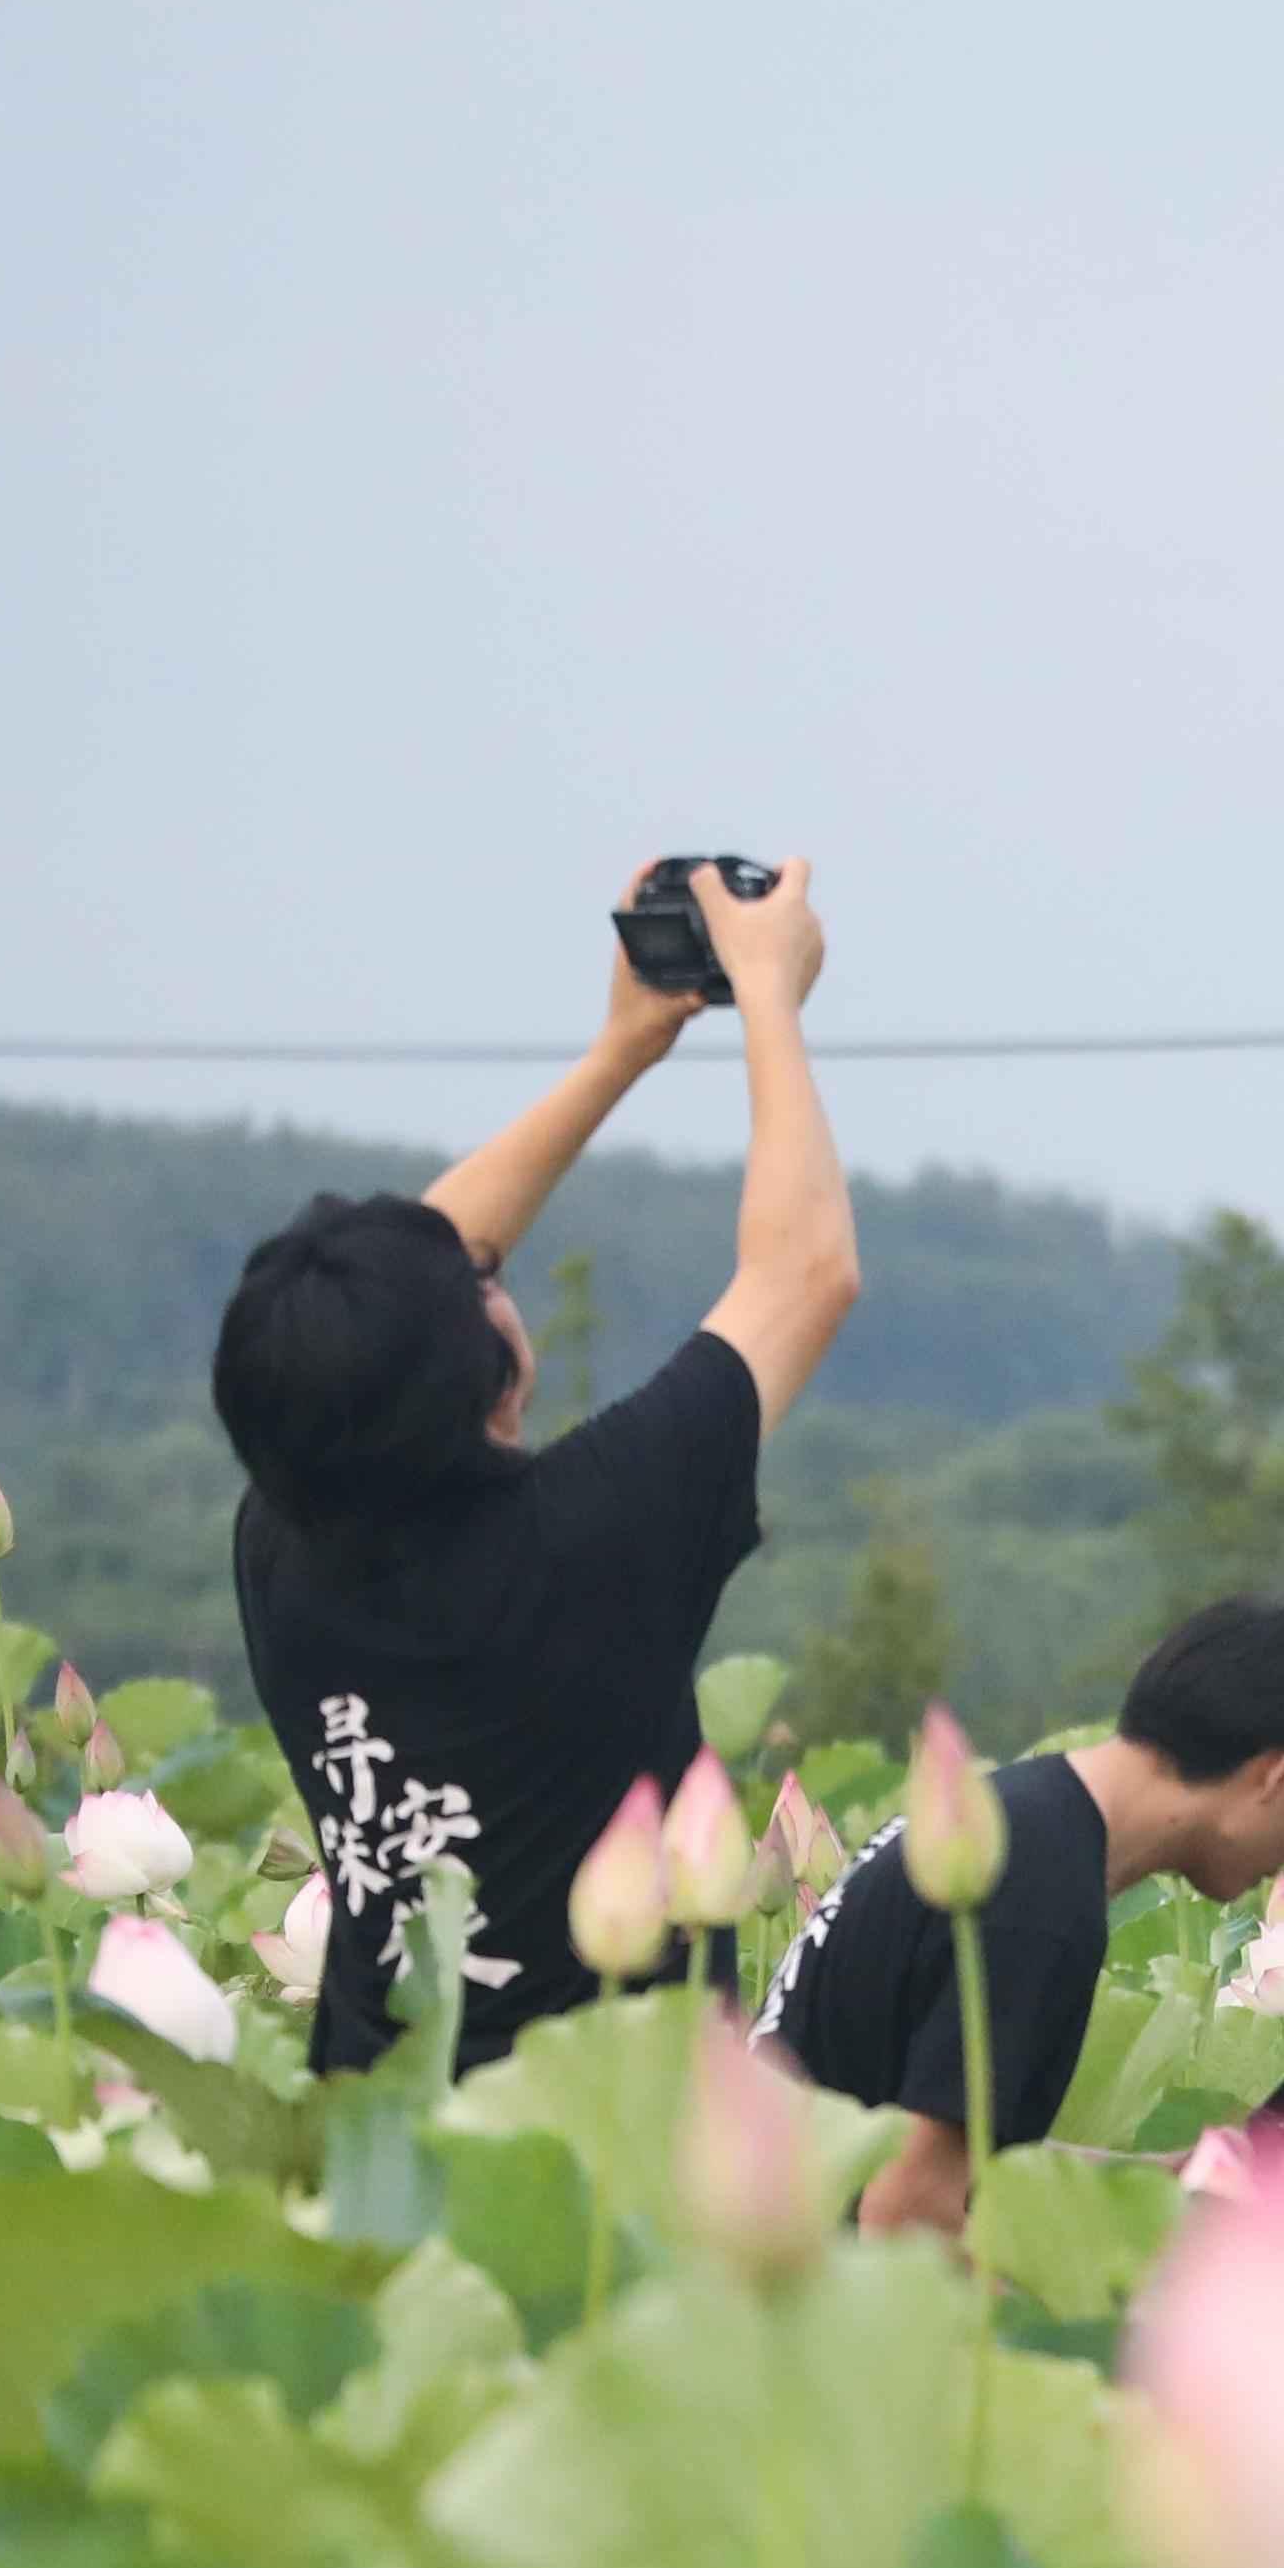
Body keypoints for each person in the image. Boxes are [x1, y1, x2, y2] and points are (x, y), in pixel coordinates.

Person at [212, 855, 856, 2073]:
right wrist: (769, 995)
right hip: (614, 2132)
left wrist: (625, 1048)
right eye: (481, 1284)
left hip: (375, 2118)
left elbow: (383, 1310)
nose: (487, 1264)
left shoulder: (283, 1537)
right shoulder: (592, 1538)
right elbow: (806, 1271)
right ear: (493, 1374)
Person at [762, 1595, 1284, 2234]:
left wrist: (1166, 2176)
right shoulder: (1037, 1895)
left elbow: (948, 2153)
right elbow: (905, 2212)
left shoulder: (1020, 1819)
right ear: (1281, 1773)